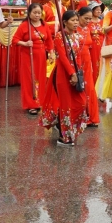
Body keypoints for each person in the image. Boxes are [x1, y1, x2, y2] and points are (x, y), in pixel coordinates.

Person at [40, 10, 89, 146]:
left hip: (75, 72)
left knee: (81, 102)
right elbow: (62, 57)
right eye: (72, 20)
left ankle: (66, 126)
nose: (75, 23)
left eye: (76, 20)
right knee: (66, 104)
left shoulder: (77, 36)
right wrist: (71, 74)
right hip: (63, 74)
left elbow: (78, 56)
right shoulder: (59, 37)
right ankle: (64, 137)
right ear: (65, 22)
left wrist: (78, 72)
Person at [13, 3, 53, 114]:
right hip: (28, 56)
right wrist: (25, 43)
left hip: (40, 56)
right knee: (29, 79)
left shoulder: (44, 25)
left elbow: (49, 40)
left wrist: (51, 53)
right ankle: (31, 104)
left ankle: (40, 102)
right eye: (34, 12)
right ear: (29, 13)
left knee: (41, 79)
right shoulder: (24, 25)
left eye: (39, 13)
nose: (37, 15)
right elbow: (15, 40)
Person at [76, 5, 100, 125]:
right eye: (86, 18)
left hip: (87, 61)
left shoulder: (87, 29)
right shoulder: (73, 29)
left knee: (89, 88)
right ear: (78, 16)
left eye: (90, 19)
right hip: (77, 61)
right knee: (78, 88)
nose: (88, 21)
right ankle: (80, 116)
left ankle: (91, 116)